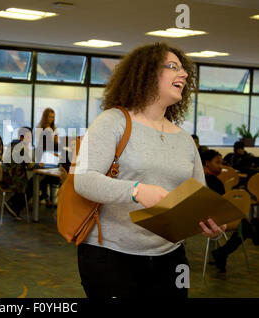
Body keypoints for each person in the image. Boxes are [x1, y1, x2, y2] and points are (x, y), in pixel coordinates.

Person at [73, 42, 226, 299]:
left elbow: (198, 194)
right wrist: (136, 190)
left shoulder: (184, 139)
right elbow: (84, 180)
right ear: (146, 73)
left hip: (171, 257)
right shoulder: (112, 121)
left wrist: (208, 221)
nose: (185, 74)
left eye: (184, 69)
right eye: (173, 67)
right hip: (111, 257)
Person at [0, 127, 36, 220]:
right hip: (14, 181)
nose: (30, 140)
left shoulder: (12, 145)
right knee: (32, 187)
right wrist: (37, 164)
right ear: (21, 137)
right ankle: (12, 205)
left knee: (30, 184)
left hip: (5, 178)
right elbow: (30, 165)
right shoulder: (21, 148)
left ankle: (13, 207)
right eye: (28, 137)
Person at [35, 107, 60, 207]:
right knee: (44, 176)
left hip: (51, 155)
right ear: (45, 117)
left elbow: (55, 143)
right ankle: (45, 197)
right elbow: (38, 143)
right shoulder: (40, 128)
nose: (51, 119)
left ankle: (47, 198)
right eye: (50, 117)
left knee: (50, 176)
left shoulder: (54, 128)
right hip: (42, 154)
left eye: (53, 117)